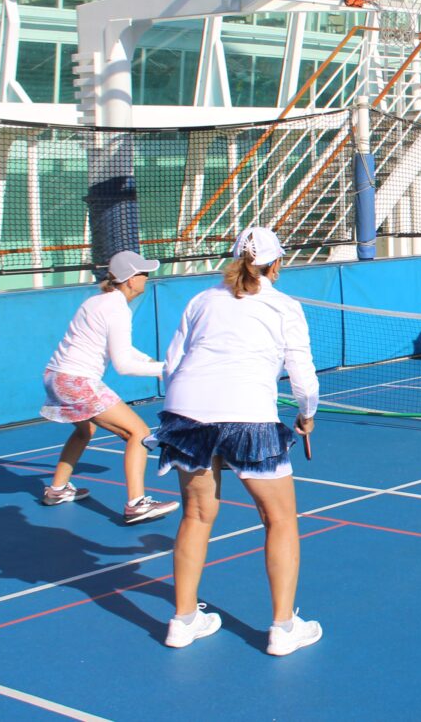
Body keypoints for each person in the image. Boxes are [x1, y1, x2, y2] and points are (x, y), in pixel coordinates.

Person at [152, 226, 321, 655]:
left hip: (186, 412)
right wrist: (306, 416)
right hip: (248, 416)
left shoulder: (201, 300)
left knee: (196, 515)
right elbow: (302, 376)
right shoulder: (284, 306)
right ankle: (283, 629)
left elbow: (172, 364)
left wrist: (187, 408)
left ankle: (183, 620)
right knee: (280, 520)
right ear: (276, 264)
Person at [39, 250, 180, 525]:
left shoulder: (97, 301)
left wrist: (152, 362)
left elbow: (122, 349)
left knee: (85, 429)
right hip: (77, 380)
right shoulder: (116, 308)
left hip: (55, 376)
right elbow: (123, 365)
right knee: (137, 432)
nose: (147, 278)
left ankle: (57, 490)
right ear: (129, 280)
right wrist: (166, 370)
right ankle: (137, 504)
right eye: (143, 273)